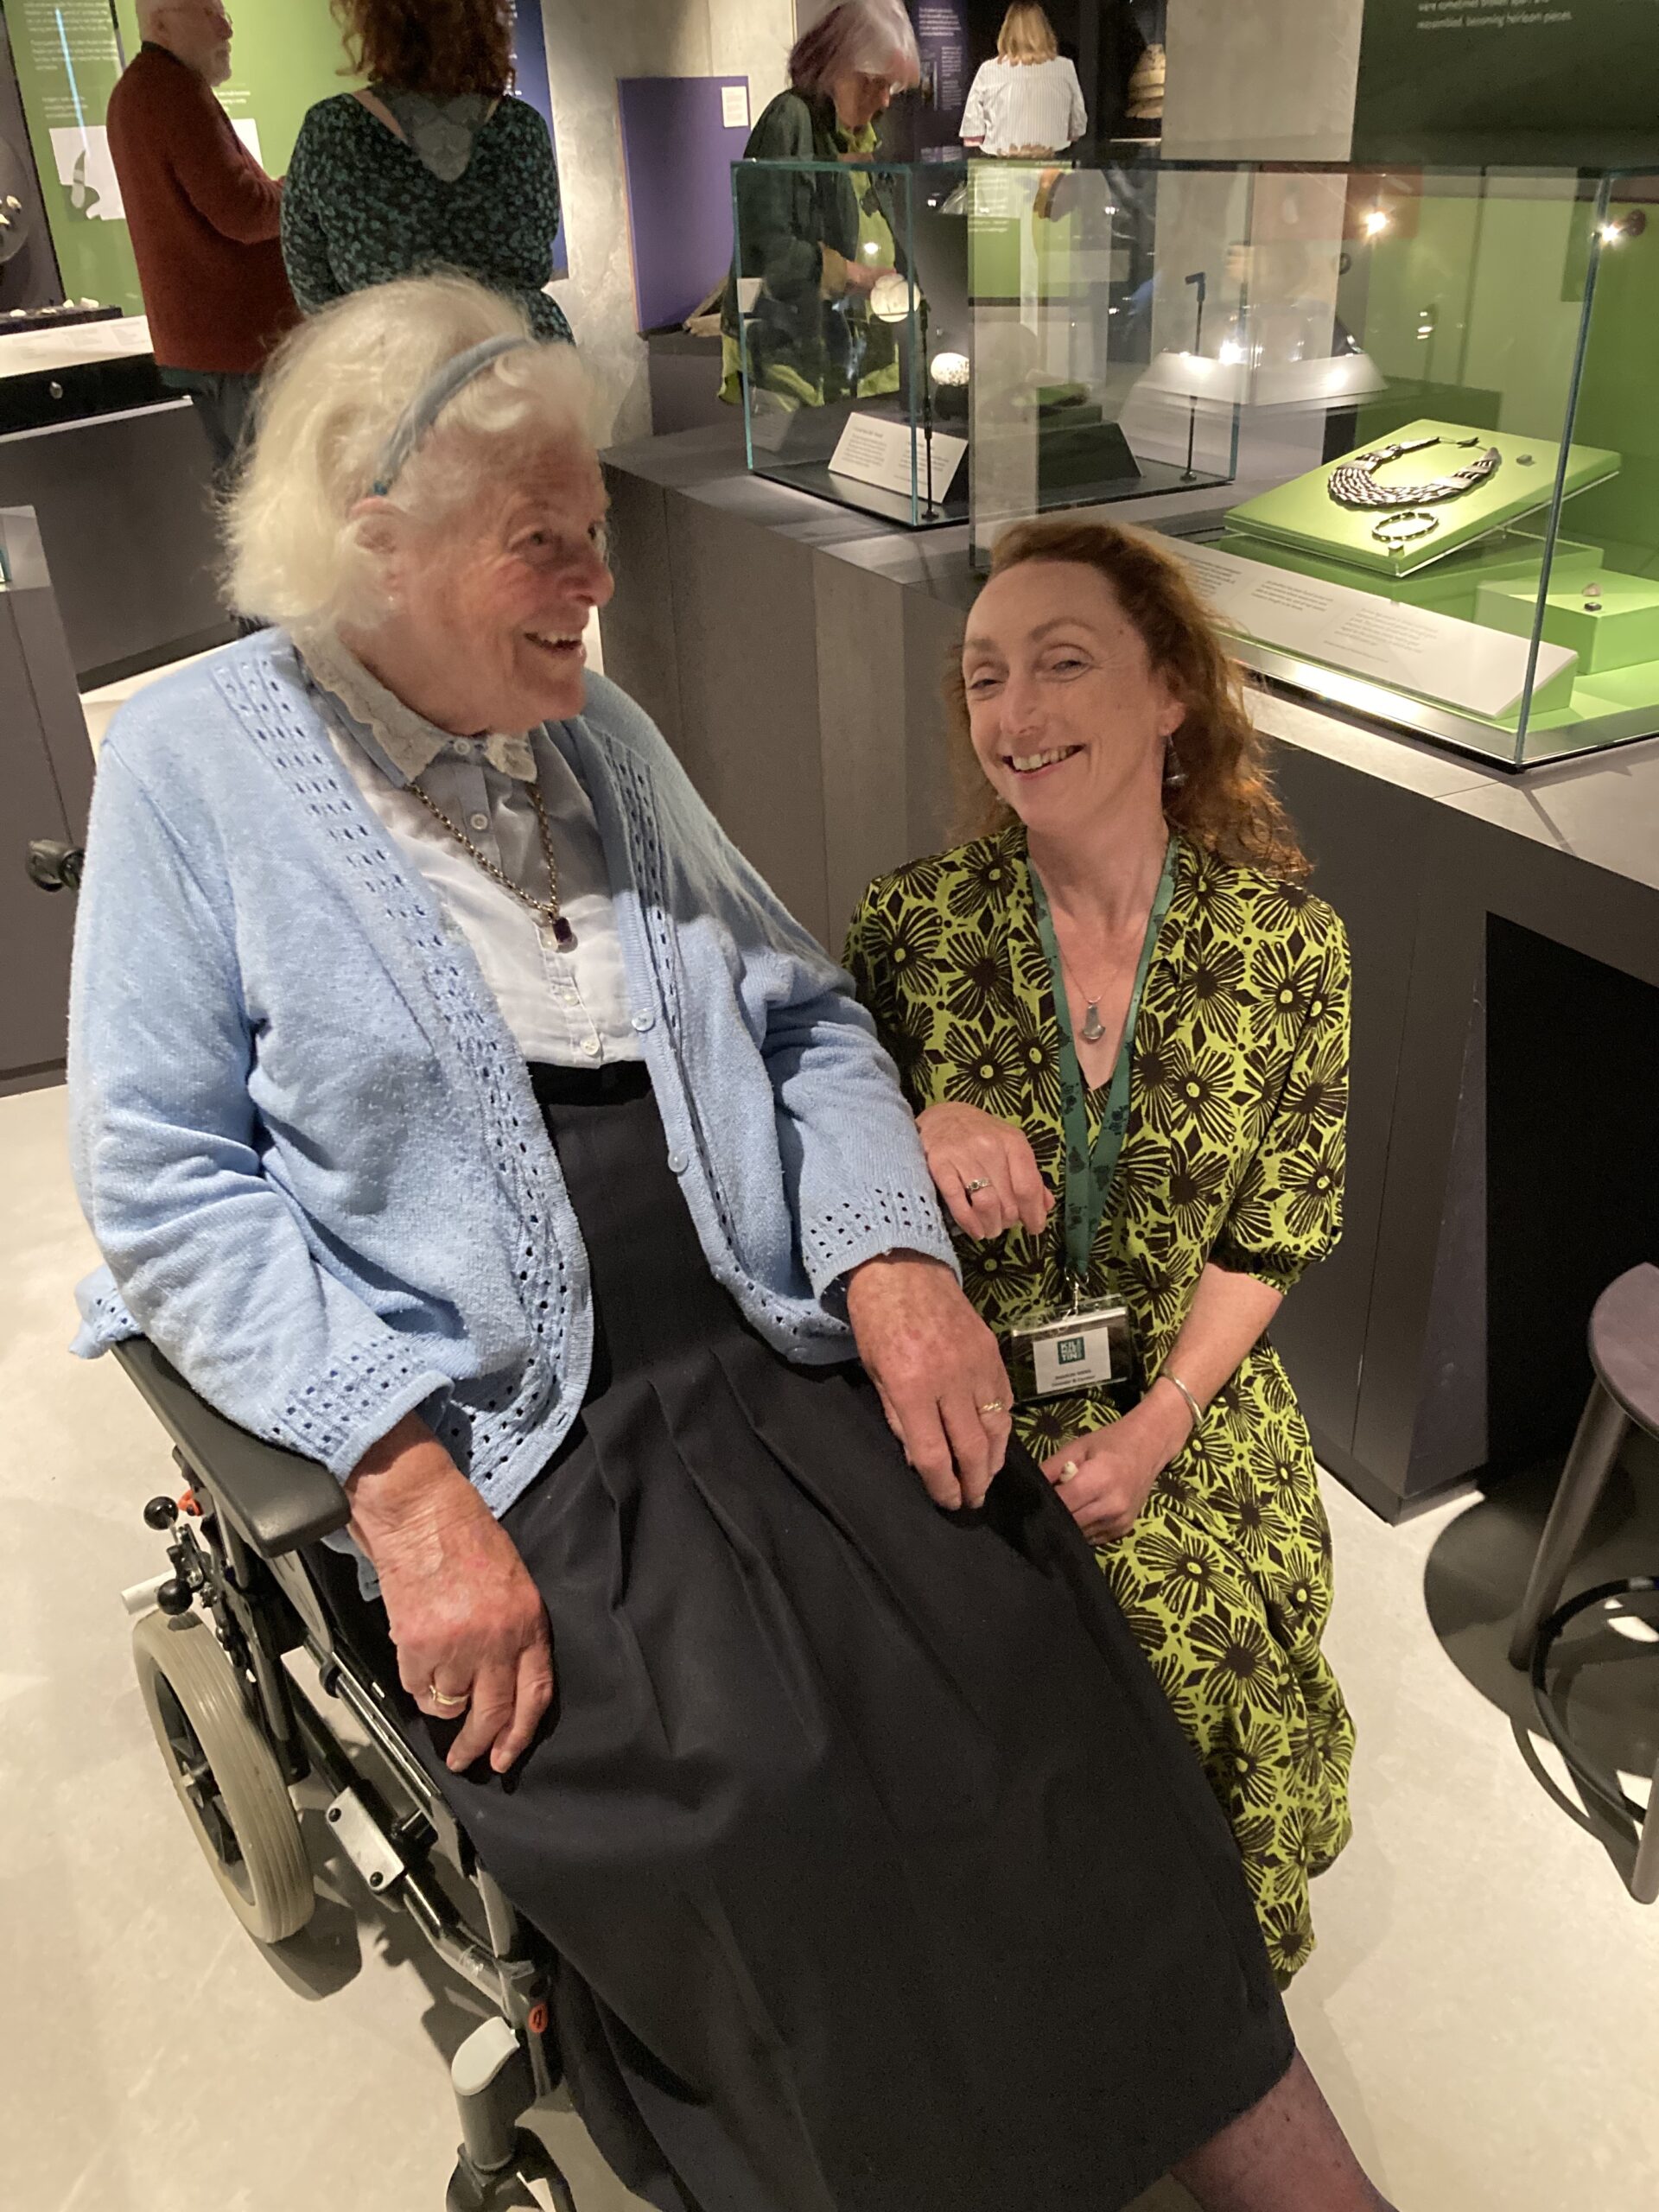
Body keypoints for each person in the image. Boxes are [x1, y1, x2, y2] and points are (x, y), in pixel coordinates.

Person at [67, 275, 1397, 2212]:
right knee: (764, 1795)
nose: (596, 576)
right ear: (373, 521)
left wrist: (891, 1261)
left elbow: (797, 1009)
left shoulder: (593, 729)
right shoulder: (198, 767)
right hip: (508, 1412)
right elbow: (170, 1177)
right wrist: (403, 1474)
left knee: (1033, 1644)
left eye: (595, 524)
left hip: (760, 1320)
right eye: (547, 538)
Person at [845, 515, 1357, 1986]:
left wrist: (1157, 1425)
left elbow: (1274, 1237)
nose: (1017, 713)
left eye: (1063, 664)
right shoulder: (913, 927)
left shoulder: (1290, 949)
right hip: (966, 1390)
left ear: (1170, 693)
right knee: (1044, 1657)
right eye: (986, 675)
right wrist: (919, 1122)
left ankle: (1182, 2004)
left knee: (1203, 1648)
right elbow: (816, 1153)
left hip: (1183, 1394)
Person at [281, 0, 569, 342]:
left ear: (378, 25)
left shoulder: (333, 129)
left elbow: (314, 291)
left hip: (393, 368)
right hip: (520, 358)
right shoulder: (523, 128)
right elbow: (536, 256)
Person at [105, 0, 299, 479]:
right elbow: (243, 212)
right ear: (162, 23)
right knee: (268, 504)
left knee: (246, 502)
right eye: (209, 12)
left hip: (214, 347)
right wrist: (302, 184)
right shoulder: (171, 91)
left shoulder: (143, 89)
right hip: (237, 347)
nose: (226, 27)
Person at [718, 0, 918, 409]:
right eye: (874, 83)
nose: (884, 101)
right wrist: (856, 275)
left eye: (890, 88)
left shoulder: (859, 136)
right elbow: (768, 247)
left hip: (855, 357)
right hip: (795, 360)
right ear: (836, 68)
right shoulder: (789, 120)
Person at [960, 3, 1088, 159]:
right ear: (1045, 30)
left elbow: (972, 135)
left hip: (998, 171)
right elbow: (1077, 129)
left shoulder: (988, 71)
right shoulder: (1065, 68)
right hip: (1053, 171)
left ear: (1006, 31)